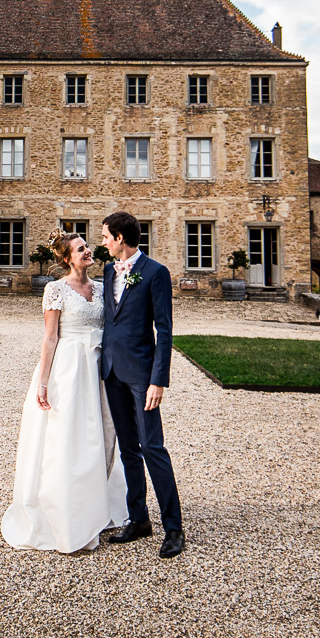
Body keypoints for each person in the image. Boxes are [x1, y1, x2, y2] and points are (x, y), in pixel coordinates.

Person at [1, 231, 129, 553]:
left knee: (104, 435)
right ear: (67, 258)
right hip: (69, 372)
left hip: (99, 370)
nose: (88, 251)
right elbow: (50, 338)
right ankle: (68, 515)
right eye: (81, 248)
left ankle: (98, 505)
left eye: (87, 246)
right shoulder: (55, 290)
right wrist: (42, 382)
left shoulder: (102, 288)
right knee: (69, 439)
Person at [97, 210, 184, 558]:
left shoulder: (156, 273)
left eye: (105, 236)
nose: (102, 241)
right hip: (112, 372)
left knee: (152, 448)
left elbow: (164, 331)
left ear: (120, 238)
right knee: (128, 450)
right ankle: (139, 519)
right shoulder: (107, 270)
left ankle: (174, 528)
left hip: (143, 376)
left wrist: (158, 381)